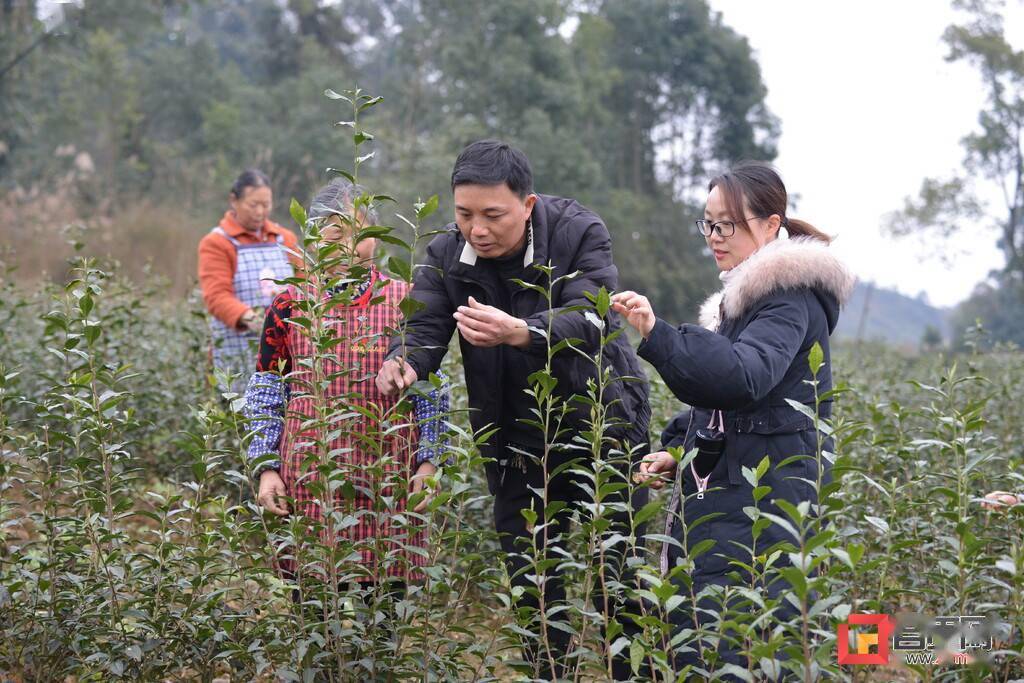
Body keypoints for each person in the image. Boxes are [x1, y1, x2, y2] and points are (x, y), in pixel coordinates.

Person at [376, 140, 650, 679]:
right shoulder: (446, 254)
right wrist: (404, 361)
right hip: (514, 444)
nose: (477, 229)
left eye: (492, 215)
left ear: (527, 205)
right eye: (464, 214)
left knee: (619, 582)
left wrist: (526, 332)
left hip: (601, 434)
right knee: (535, 592)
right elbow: (426, 323)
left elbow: (594, 317)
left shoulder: (578, 232)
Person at [613, 161, 855, 673]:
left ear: (771, 225)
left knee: (742, 642)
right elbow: (724, 410)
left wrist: (661, 335)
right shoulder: (742, 303)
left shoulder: (787, 298)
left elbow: (744, 379)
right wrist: (678, 450)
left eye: (728, 224)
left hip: (764, 506)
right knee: (711, 636)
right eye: (708, 223)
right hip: (733, 497)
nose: (715, 237)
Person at [244, 179, 449, 589]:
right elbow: (268, 391)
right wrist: (266, 468)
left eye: (358, 234)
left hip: (389, 477)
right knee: (314, 599)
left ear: (375, 237)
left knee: (386, 602)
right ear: (314, 238)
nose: (346, 247)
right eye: (333, 233)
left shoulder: (406, 301)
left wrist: (429, 462)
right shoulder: (290, 304)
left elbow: (431, 390)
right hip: (310, 474)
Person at [198, 169, 301, 393]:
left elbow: (305, 285)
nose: (260, 212)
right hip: (238, 346)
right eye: (253, 205)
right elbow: (216, 296)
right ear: (234, 200)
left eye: (266, 204)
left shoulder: (285, 239)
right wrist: (254, 320)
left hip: (283, 348)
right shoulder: (217, 242)